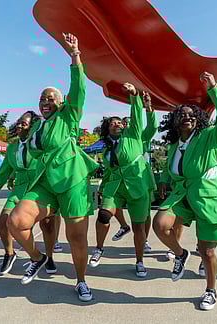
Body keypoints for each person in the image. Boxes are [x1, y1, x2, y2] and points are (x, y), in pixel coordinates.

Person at [7, 33, 98, 302]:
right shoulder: (38, 127)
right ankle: (38, 257)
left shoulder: (68, 115)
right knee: (17, 221)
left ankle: (81, 281)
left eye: (50, 98)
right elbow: (29, 151)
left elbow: (79, 88)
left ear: (60, 102)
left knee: (76, 237)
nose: (45, 101)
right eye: (41, 99)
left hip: (73, 181)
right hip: (45, 182)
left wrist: (75, 56)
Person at [152, 71, 217, 311]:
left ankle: (211, 290)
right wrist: (165, 179)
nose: (187, 118)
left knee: (206, 251)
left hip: (207, 195)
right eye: (182, 116)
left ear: (198, 120)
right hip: (183, 193)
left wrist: (214, 89)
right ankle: (180, 254)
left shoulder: (210, 137)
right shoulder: (175, 145)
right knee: (160, 224)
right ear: (175, 122)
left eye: (191, 115)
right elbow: (171, 167)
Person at [0, 111, 59, 275]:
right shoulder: (12, 148)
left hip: (41, 188)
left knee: (48, 225)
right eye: (18, 122)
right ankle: (10, 253)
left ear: (33, 126)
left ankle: (49, 257)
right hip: (19, 189)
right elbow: (3, 173)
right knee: (4, 220)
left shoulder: (42, 144)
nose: (19, 125)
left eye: (23, 123)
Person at [89, 84, 151, 278]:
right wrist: (101, 186)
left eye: (119, 122)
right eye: (112, 123)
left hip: (137, 186)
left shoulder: (132, 136)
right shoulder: (106, 148)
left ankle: (139, 261)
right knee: (104, 215)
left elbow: (136, 115)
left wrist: (134, 96)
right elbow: (107, 169)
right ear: (107, 129)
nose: (117, 124)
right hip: (115, 187)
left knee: (139, 226)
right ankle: (99, 249)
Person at [108, 97, 157, 253]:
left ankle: (145, 239)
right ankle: (125, 226)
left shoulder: (141, 136)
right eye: (125, 122)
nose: (127, 124)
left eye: (129, 122)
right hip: (124, 180)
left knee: (145, 214)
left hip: (143, 179)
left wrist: (148, 108)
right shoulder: (120, 142)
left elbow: (152, 127)